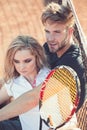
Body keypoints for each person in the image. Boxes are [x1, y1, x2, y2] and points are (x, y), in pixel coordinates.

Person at [0, 2, 85, 130]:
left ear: (70, 32)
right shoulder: (51, 48)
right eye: (47, 31)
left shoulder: (71, 63)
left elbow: (34, 98)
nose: (50, 38)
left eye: (57, 32)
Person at [0, 35, 50, 130]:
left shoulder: (49, 75)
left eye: (27, 61)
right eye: (16, 61)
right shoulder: (13, 82)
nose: (22, 67)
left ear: (37, 57)